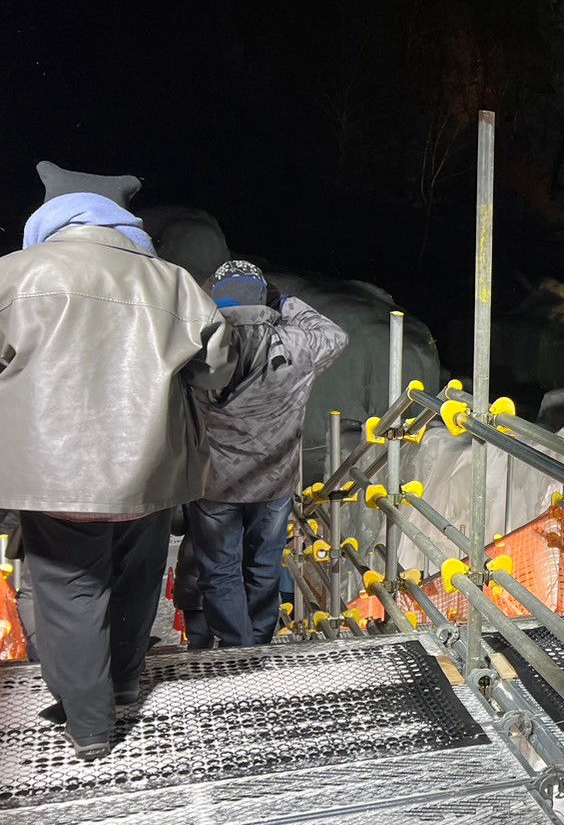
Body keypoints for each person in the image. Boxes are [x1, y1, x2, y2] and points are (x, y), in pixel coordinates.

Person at [0, 162, 237, 759]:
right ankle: (122, 688)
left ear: (52, 214)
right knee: (135, 584)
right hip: (150, 470)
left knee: (70, 592)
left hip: (51, 476)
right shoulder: (173, 284)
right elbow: (220, 370)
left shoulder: (13, 277)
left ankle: (90, 725)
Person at [187, 261, 346, 649]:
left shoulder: (196, 343)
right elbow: (335, 335)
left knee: (220, 571)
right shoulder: (295, 344)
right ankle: (258, 642)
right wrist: (286, 301)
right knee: (264, 566)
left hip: (214, 482)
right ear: (262, 296)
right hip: (274, 480)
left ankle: (237, 648)